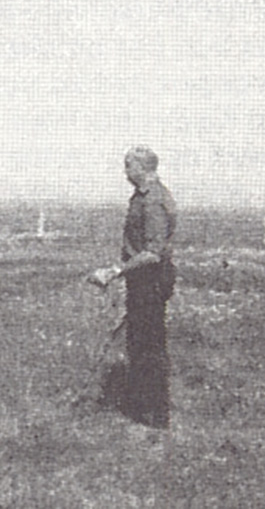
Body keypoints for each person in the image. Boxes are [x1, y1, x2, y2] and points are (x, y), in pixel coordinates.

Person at [88, 145, 176, 428]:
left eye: (129, 165)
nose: (125, 171)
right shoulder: (143, 197)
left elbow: (153, 252)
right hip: (142, 281)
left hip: (150, 281)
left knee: (147, 347)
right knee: (140, 345)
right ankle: (144, 413)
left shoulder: (153, 200)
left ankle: (153, 418)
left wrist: (115, 271)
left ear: (143, 167)